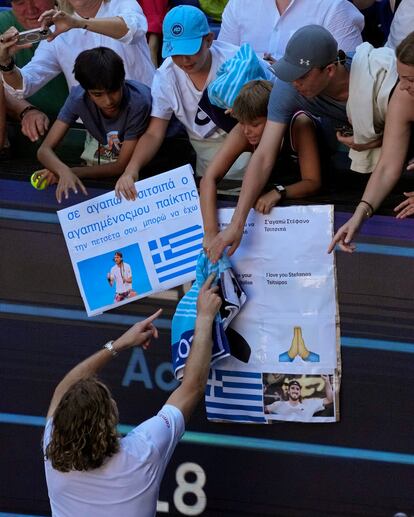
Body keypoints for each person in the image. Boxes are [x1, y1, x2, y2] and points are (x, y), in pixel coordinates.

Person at [206, 24, 396, 263]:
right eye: (289, 72)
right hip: (353, 163)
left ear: (329, 70)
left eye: (302, 75)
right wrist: (236, 224)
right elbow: (263, 156)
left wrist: (378, 139)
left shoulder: (375, 75)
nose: (294, 82)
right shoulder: (288, 89)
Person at [43, 274, 221, 516]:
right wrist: (205, 317)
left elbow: (64, 388)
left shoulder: (53, 451)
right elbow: (192, 388)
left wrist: (116, 346)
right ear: (108, 419)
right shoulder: (143, 452)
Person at [115, 5, 271, 201]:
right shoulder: (166, 75)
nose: (184, 60)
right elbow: (154, 133)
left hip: (253, 160)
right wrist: (131, 170)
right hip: (206, 167)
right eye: (176, 52)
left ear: (208, 40)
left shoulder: (239, 62)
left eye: (191, 50)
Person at [200, 79, 322, 251]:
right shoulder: (244, 130)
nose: (247, 131)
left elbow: (313, 182)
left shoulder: (300, 125)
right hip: (271, 188)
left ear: (274, 118)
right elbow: (209, 178)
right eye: (242, 123)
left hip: (316, 192)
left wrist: (279, 192)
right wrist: (211, 232)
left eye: (255, 124)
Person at [328, 31, 414, 253]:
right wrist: (359, 215)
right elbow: (387, 166)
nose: (402, 86)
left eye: (411, 79)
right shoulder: (405, 98)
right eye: (400, 76)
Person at [35, 46, 151, 202]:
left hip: (161, 157)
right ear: (85, 90)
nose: (108, 101)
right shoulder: (77, 98)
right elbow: (44, 150)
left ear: (122, 81)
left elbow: (121, 165)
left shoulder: (138, 102)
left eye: (114, 91)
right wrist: (62, 171)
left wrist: (71, 172)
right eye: (97, 94)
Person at [0, 0, 155, 95]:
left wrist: (80, 23)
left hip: (148, 119)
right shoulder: (57, 32)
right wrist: (5, 63)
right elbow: (24, 85)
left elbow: (132, 30)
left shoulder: (122, 3)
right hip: (98, 134)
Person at [0, 0, 68, 146]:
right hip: (26, 138)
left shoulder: (77, 20)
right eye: (20, 2)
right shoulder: (3, 23)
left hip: (84, 134)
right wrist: (25, 110)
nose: (31, 9)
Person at [217, 0, 364, 61]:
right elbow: (223, 62)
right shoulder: (239, 3)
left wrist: (287, 78)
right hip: (241, 108)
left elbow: (348, 76)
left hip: (306, 113)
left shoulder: (335, 7)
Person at [265, 376, 333, 421]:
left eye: (297, 389)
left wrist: (327, 382)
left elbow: (329, 400)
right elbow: (263, 410)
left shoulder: (309, 404)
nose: (295, 391)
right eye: (292, 388)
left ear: (300, 392)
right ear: (288, 391)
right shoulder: (279, 404)